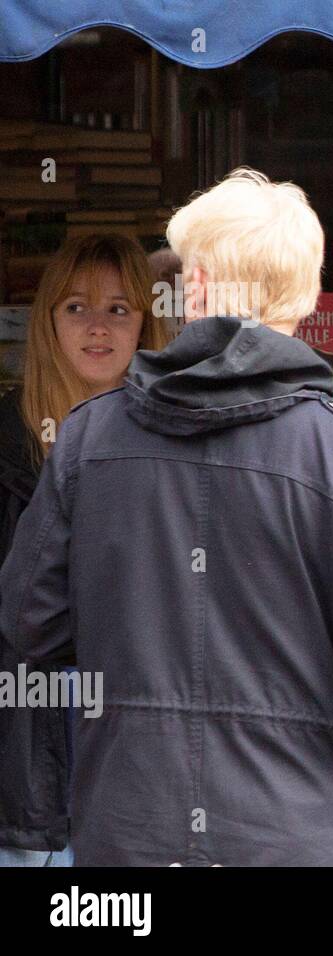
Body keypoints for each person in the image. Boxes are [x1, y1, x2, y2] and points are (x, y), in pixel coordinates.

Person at [0, 168, 333, 865]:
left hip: (129, 829)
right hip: (301, 832)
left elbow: (29, 621)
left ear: (194, 290)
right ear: (307, 296)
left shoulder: (87, 439)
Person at [0, 234, 169, 867]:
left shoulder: (173, 447)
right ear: (47, 322)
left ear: (146, 324)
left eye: (119, 309)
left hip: (139, 771)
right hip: (21, 772)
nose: (97, 327)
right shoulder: (6, 448)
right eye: (76, 307)